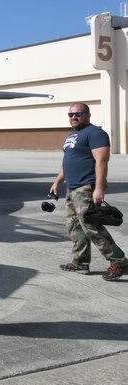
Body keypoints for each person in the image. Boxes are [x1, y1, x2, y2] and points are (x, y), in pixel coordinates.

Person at [49, 102, 127, 281]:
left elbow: (102, 161)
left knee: (92, 227)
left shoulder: (96, 133)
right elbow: (68, 161)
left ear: (88, 115)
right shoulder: (72, 136)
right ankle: (80, 262)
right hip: (72, 188)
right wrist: (57, 182)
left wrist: (98, 189)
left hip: (86, 187)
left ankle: (119, 261)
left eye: (78, 114)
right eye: (70, 114)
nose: (74, 117)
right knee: (74, 227)